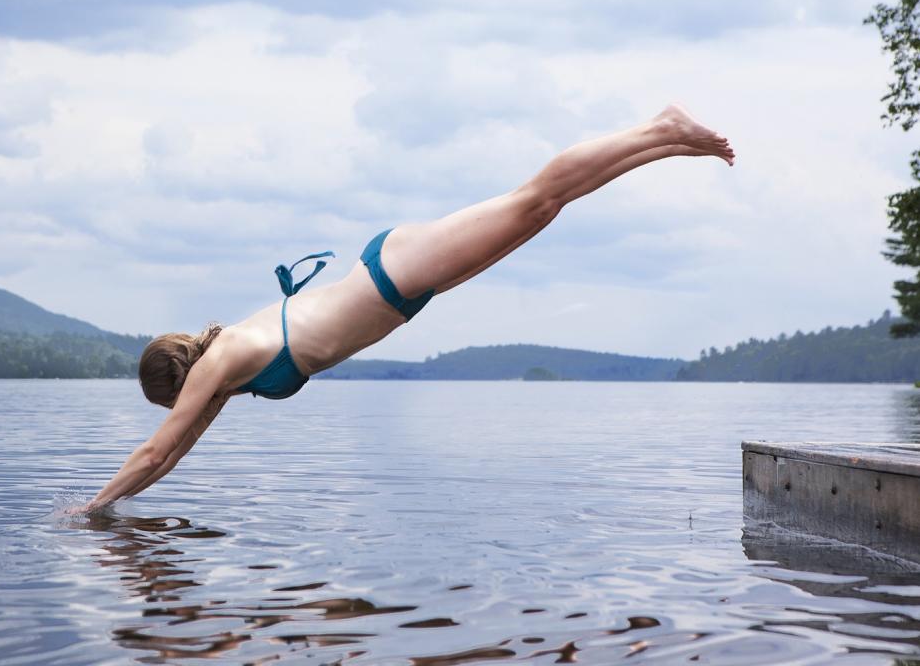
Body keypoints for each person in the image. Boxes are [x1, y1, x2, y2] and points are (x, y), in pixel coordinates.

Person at [81, 104, 734, 511]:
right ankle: (667, 143)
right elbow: (178, 450)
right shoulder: (225, 373)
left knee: (533, 198)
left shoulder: (220, 362)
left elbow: (154, 453)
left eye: (172, 404)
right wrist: (111, 509)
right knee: (544, 209)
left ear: (175, 384)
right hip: (403, 289)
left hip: (393, 274)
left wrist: (87, 511)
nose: (182, 413)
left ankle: (660, 128)